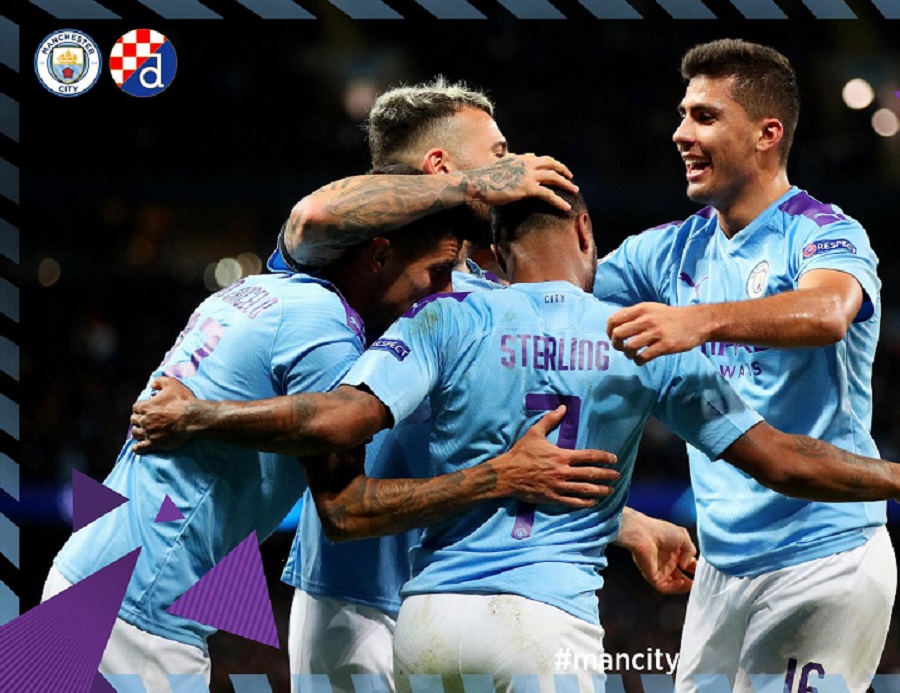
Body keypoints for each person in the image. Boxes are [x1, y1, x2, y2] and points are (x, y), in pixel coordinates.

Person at [131, 189, 900, 693]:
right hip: (546, 624)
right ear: (586, 232)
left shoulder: (444, 317)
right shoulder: (642, 335)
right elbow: (785, 460)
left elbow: (336, 418)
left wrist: (201, 415)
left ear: (492, 254)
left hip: (428, 623)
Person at [42, 206, 619, 693]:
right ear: (380, 255)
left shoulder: (263, 290)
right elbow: (346, 511)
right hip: (139, 615)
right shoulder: (327, 333)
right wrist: (502, 476)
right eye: (437, 272)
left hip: (95, 573)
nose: (445, 292)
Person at [267, 81, 697, 692]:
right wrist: (473, 188)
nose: (515, 166)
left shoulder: (491, 299)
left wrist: (622, 522)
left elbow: (504, 458)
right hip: (353, 594)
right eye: (499, 155)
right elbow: (312, 217)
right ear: (442, 166)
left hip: (447, 596)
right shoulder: (357, 257)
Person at [593, 39, 895, 691]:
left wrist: (697, 320)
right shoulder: (671, 250)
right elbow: (556, 289)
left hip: (825, 554)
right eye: (682, 114)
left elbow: (827, 311)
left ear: (766, 133)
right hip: (721, 567)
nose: (681, 133)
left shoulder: (822, 230)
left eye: (704, 116)